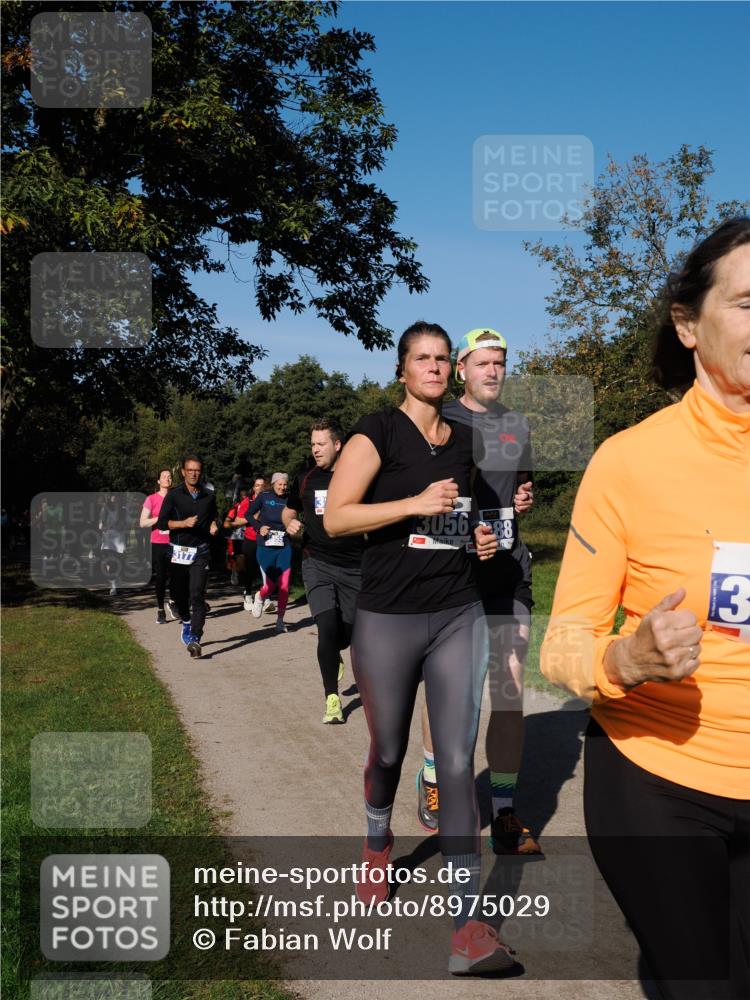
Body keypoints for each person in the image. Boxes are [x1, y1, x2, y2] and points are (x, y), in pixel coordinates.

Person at [541, 218, 750, 999]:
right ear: (689, 324)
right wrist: (626, 659)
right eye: (749, 303)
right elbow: (562, 644)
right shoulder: (629, 463)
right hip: (657, 775)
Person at [325, 321, 515, 975]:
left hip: (457, 610)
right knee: (387, 750)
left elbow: (468, 521)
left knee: (458, 761)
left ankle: (467, 928)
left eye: (441, 359)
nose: (434, 368)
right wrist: (410, 502)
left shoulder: (464, 439)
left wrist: (481, 541)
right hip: (388, 617)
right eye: (422, 359)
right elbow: (337, 517)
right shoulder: (375, 432)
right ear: (403, 369)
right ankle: (378, 842)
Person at [417, 328, 540, 855]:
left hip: (508, 571)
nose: (493, 371)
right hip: (455, 573)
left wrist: (523, 495)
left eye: (501, 363)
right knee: (451, 692)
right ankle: (433, 778)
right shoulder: (441, 422)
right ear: (462, 369)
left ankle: (506, 811)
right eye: (483, 362)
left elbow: (518, 485)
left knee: (508, 687)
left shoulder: (516, 424)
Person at [283, 418, 364, 724]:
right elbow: (289, 510)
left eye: (321, 444)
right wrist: (288, 522)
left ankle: (335, 652)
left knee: (348, 633)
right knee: (327, 628)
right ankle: (332, 698)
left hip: (355, 567)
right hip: (316, 562)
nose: (315, 450)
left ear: (338, 444)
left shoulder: (360, 477)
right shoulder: (306, 478)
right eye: (312, 444)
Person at [157, 454, 219, 658]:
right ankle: (185, 620)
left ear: (201, 472)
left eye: (197, 470)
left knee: (197, 593)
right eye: (190, 470)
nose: (194, 473)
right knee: (179, 594)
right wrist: (182, 524)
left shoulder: (209, 497)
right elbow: (162, 523)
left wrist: (213, 525)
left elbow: (213, 517)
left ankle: (195, 637)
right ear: (183, 472)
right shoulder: (174, 496)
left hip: (200, 551)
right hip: (177, 551)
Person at [246, 472, 292, 634]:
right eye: (280, 484)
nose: (283, 487)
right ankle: (259, 596)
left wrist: (295, 524)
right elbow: (248, 514)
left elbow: (294, 516)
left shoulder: (289, 499)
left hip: (284, 546)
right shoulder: (264, 496)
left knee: (284, 585)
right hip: (265, 546)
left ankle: (280, 620)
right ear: (273, 484)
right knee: (270, 585)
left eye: (285, 484)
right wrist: (259, 527)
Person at [140, 469, 175, 623]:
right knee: (161, 577)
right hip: (158, 543)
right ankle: (160, 610)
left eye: (169, 477)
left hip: (175, 542)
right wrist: (159, 518)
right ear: (158, 481)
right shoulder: (151, 499)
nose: (167, 479)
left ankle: (173, 601)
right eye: (164, 477)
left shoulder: (176, 498)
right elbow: (142, 522)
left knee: (177, 576)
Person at [99, 493, 127, 596]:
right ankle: (113, 586)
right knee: (110, 561)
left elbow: (126, 524)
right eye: (113, 496)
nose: (115, 499)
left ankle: (115, 580)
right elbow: (100, 525)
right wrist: (106, 527)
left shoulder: (123, 510)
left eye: (117, 496)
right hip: (108, 539)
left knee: (118, 561)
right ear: (109, 498)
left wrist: (121, 525)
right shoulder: (105, 509)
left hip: (119, 539)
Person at [224, 482, 249, 587]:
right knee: (236, 556)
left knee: (245, 557)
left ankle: (244, 576)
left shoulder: (252, 505)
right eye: (242, 495)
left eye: (245, 495)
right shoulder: (236, 507)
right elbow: (227, 521)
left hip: (248, 535)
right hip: (237, 536)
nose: (243, 497)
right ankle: (235, 573)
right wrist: (230, 524)